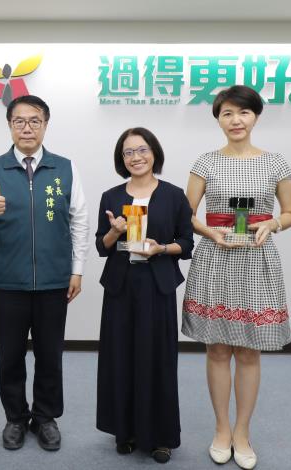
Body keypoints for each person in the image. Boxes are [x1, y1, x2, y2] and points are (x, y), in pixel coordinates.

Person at [181, 85, 291, 470]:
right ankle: (221, 429)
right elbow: (187, 214)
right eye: (227, 113)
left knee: (249, 350)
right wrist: (210, 232)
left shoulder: (275, 163)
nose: (236, 120)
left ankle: (242, 432)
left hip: (256, 259)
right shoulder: (206, 162)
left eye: (243, 112)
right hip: (215, 258)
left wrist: (272, 224)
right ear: (218, 118)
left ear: (256, 116)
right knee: (216, 349)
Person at [0, 95, 89, 451]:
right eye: (19, 121)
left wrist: (77, 270)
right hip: (9, 280)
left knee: (50, 354)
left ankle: (45, 417)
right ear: (10, 126)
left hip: (54, 279)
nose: (27, 128)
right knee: (10, 355)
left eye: (34, 121)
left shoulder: (65, 168)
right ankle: (16, 418)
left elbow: (80, 220)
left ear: (45, 125)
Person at [95, 127, 193, 464]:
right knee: (120, 358)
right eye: (128, 152)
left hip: (156, 285)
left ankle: (161, 437)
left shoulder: (174, 195)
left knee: (157, 360)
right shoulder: (111, 196)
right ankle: (125, 432)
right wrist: (114, 231)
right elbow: (102, 246)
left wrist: (161, 248)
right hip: (121, 286)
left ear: (154, 153)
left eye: (142, 150)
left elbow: (187, 244)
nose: (136, 157)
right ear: (121, 159)